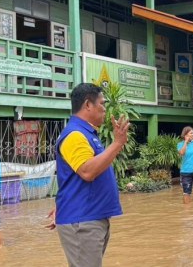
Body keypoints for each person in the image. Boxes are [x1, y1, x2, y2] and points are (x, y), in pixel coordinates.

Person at [46, 83, 130, 267]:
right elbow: (87, 171)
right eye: (102, 103)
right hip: (82, 220)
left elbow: (73, 177)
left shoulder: (87, 133)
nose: (104, 109)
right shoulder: (75, 135)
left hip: (90, 218)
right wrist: (117, 144)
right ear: (88, 105)